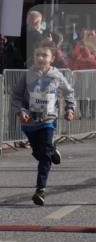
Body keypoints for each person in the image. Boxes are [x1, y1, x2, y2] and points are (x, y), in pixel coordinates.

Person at [10, 41, 76, 206]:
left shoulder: (57, 75)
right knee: (39, 153)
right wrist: (21, 111)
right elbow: (16, 96)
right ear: (34, 57)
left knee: (44, 155)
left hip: (48, 120)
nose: (41, 58)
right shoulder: (27, 75)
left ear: (52, 58)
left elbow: (69, 92)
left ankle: (40, 190)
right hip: (30, 122)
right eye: (38, 55)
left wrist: (70, 109)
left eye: (44, 55)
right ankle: (52, 151)